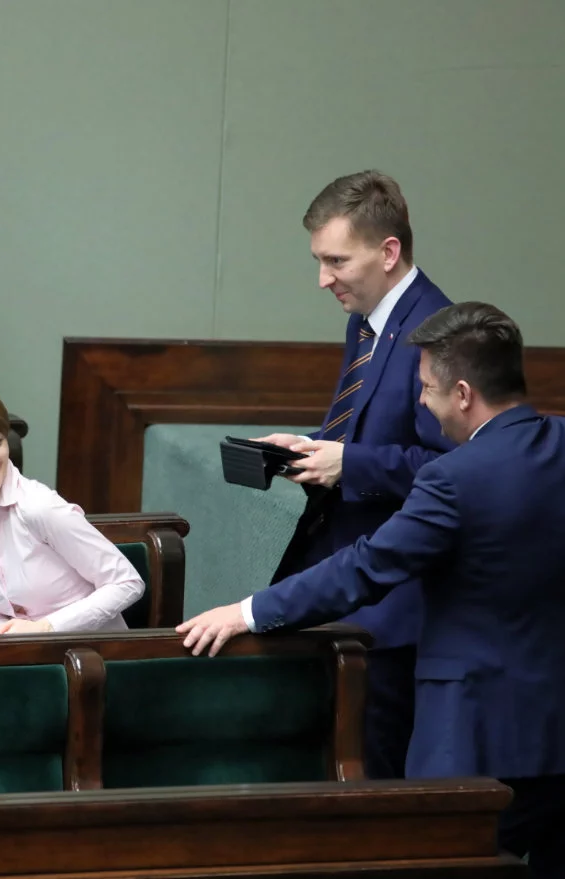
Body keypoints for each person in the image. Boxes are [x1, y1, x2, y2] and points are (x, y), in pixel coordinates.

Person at [178, 303, 565, 875]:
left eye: (427, 389)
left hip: (475, 735)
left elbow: (366, 567)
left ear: (463, 394)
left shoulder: (453, 478)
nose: (423, 404)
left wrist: (248, 612)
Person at [251, 171, 454, 779]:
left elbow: (453, 473)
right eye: (319, 260)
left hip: (395, 606)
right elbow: (367, 428)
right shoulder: (366, 318)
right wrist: (311, 448)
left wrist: (350, 464)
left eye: (336, 261)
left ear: (388, 252)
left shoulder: (440, 333)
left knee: (375, 775)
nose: (324, 279)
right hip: (346, 583)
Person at [0, 381, 144, 637]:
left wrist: (45, 627)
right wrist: (12, 648)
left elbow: (127, 582)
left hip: (83, 649)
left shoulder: (40, 507)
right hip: (16, 651)